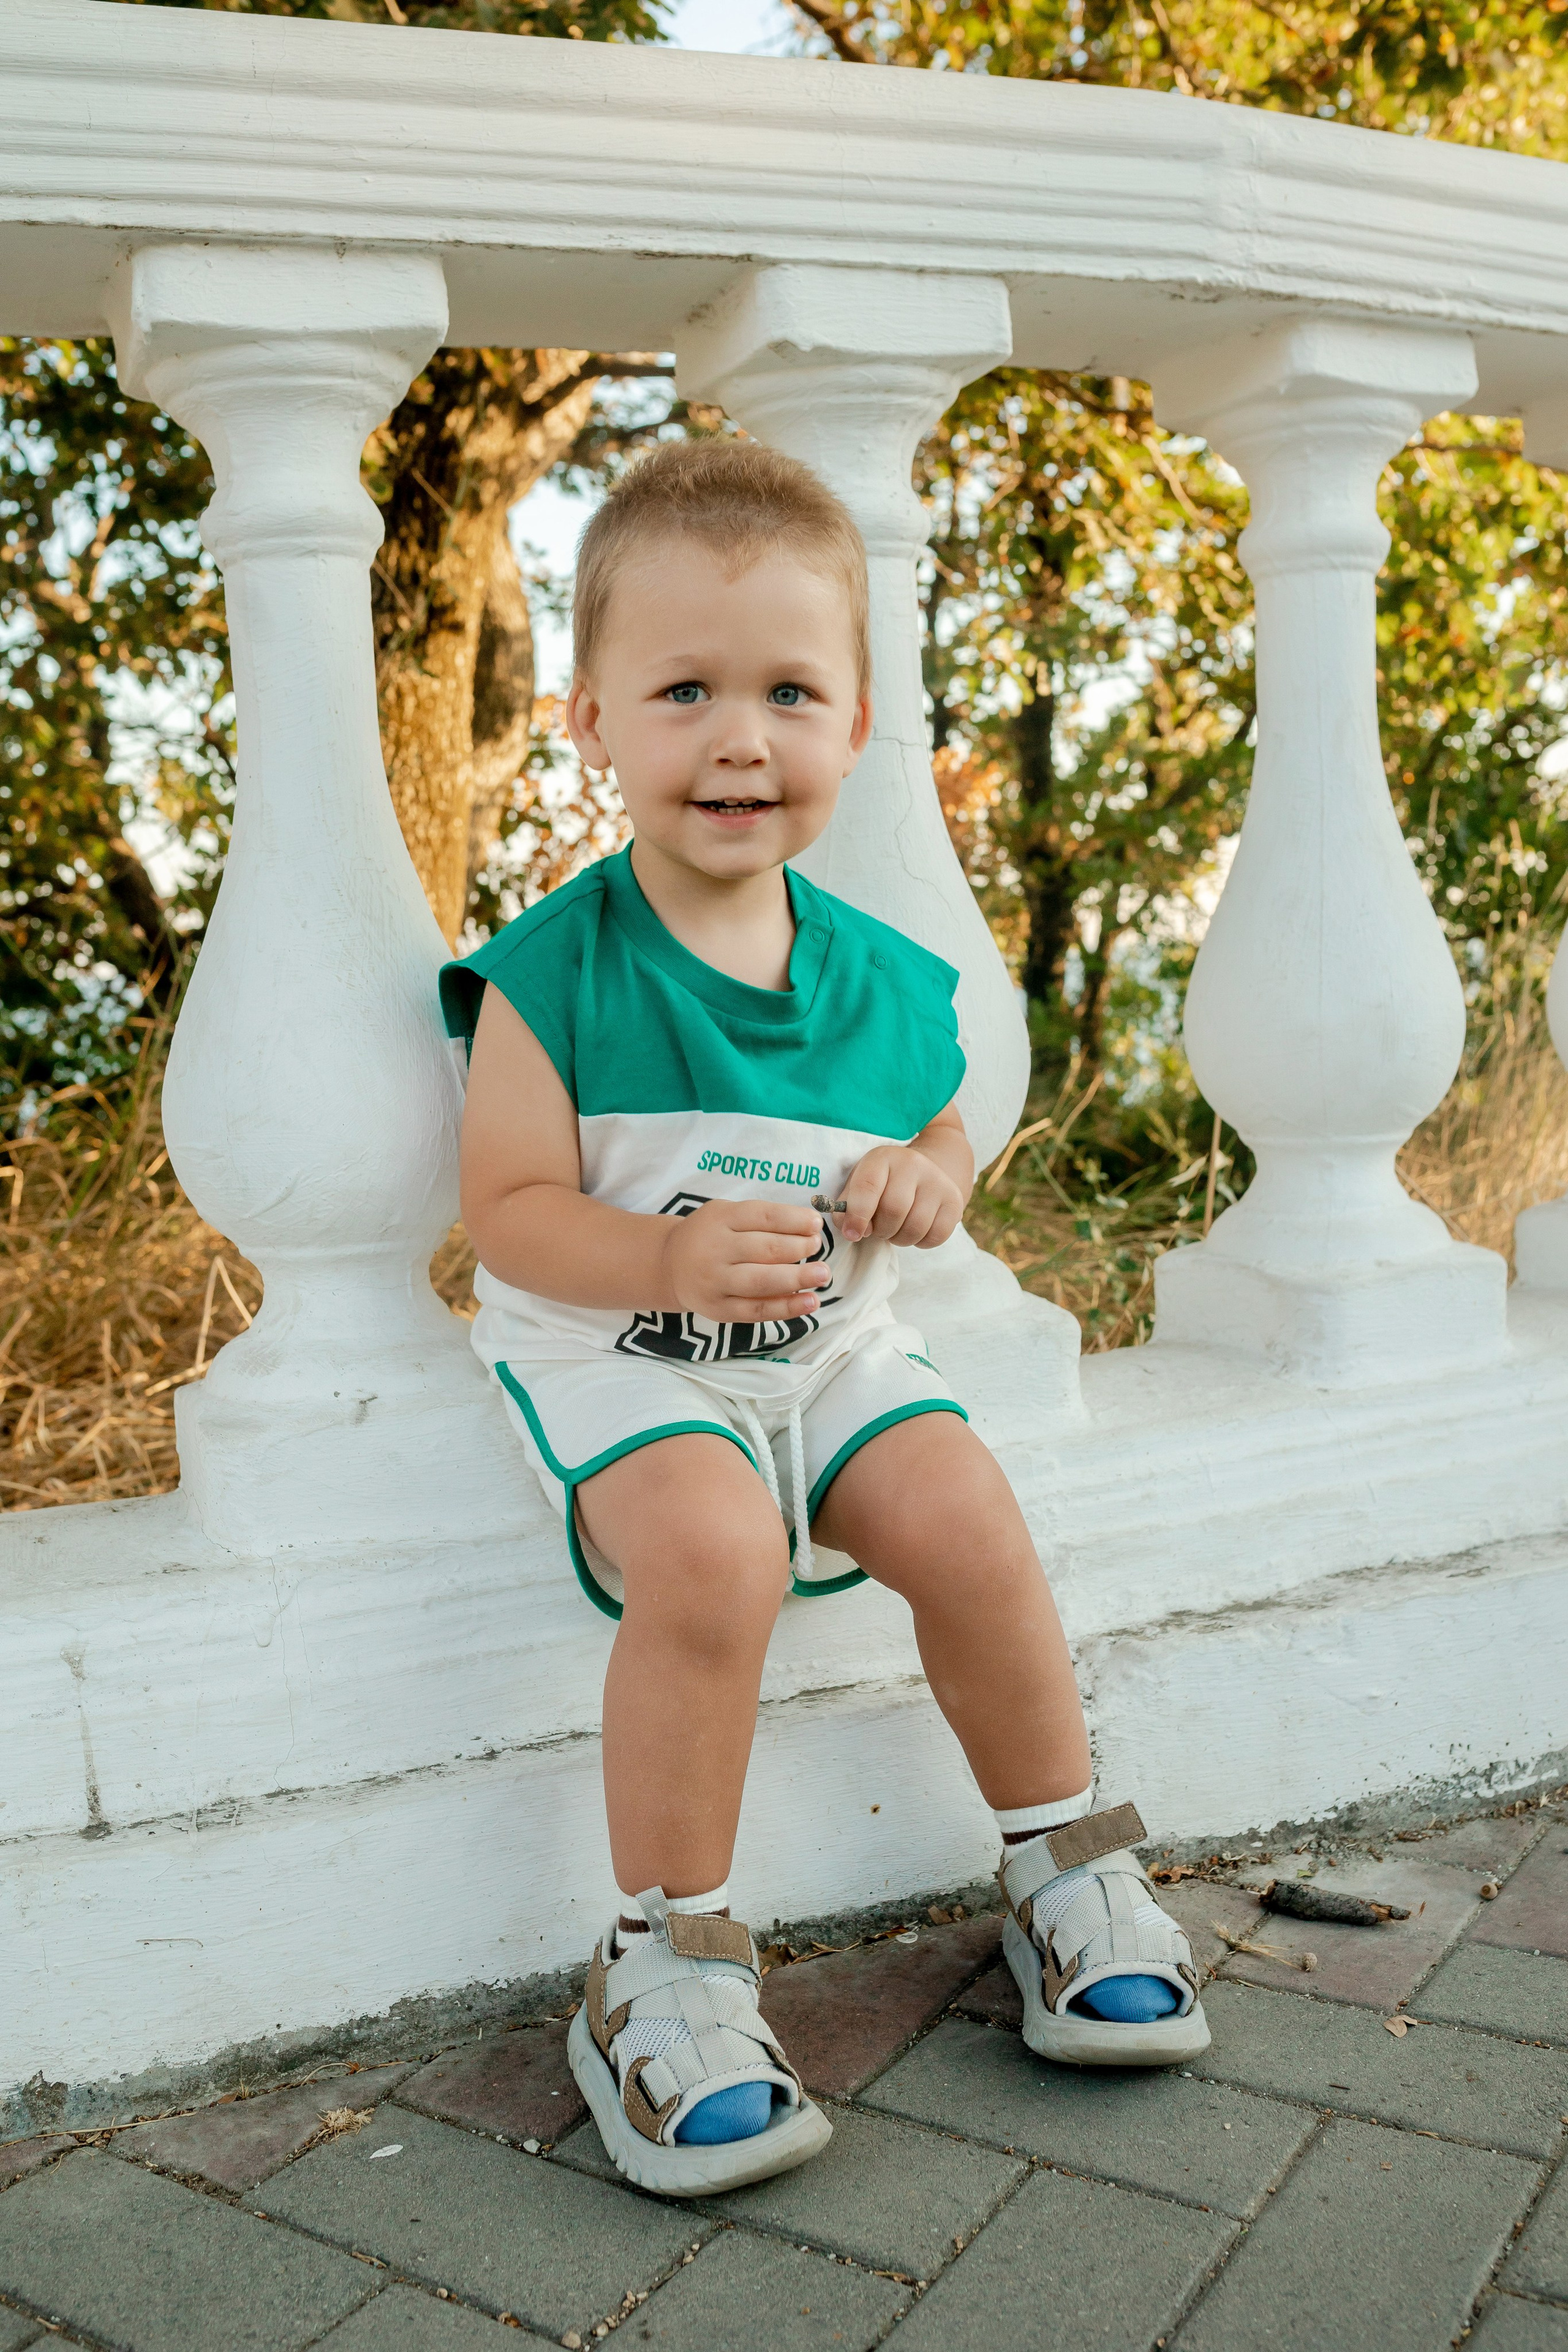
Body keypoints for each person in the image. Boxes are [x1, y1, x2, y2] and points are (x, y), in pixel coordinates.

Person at [439, 439, 1208, 2199]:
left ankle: (1062, 1865)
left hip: (834, 1344)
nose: (740, 738)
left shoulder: (880, 976)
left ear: (858, 724)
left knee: (971, 1521)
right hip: (621, 1348)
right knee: (715, 1559)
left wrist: (936, 1175)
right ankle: (666, 1966)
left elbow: (937, 1124)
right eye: (685, 690)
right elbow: (512, 1214)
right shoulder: (552, 974)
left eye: (791, 691)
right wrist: (665, 1266)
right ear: (593, 721)